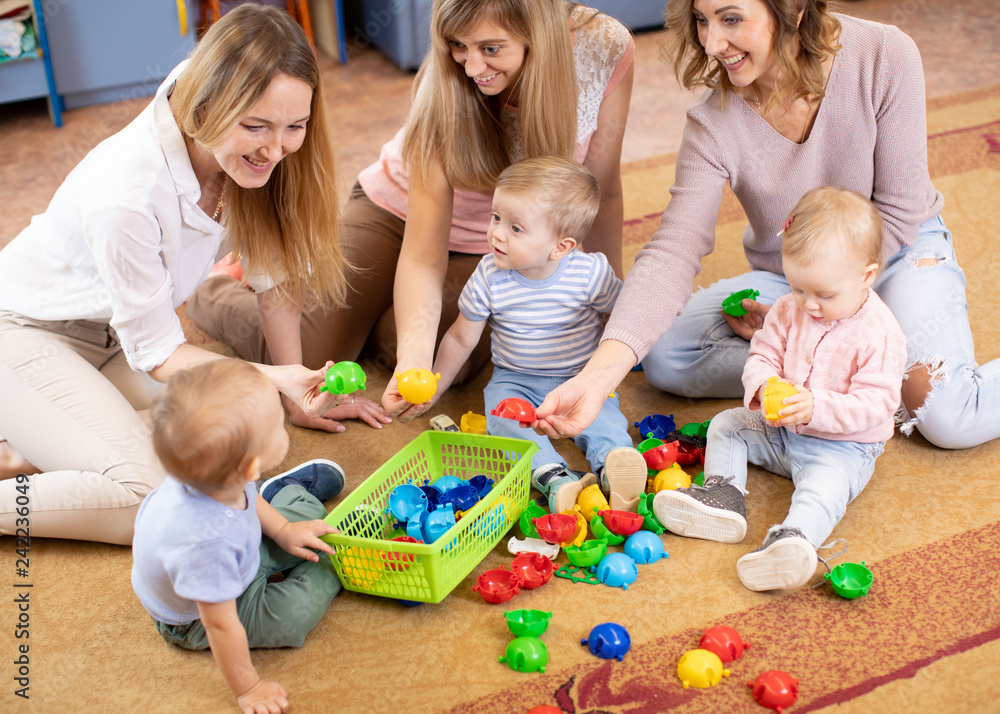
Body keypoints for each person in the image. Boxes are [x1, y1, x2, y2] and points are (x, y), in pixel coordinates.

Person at [533, 0, 1000, 451]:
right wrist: (595, 380)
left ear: (793, 9)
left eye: (731, 19)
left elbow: (898, 211)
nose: (713, 43)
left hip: (897, 252)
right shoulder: (712, 121)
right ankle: (859, 380)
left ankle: (855, 371)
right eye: (701, 20)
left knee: (947, 415)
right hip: (793, 277)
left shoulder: (884, 54)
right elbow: (674, 249)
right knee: (668, 357)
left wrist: (817, 321)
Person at [0, 5, 386, 546]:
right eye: (256, 127)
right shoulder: (126, 195)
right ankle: (39, 443)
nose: (276, 149)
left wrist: (294, 389)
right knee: (150, 500)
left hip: (114, 334)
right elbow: (157, 353)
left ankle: (30, 448)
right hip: (24, 335)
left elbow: (276, 282)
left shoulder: (241, 132)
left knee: (237, 428)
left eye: (294, 127)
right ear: (206, 104)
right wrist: (271, 379)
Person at [186, 0, 636, 422]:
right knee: (307, 360)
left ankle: (374, 319)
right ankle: (218, 289)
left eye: (490, 48)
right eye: (457, 45)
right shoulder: (443, 87)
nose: (471, 66)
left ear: (535, 34)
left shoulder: (605, 48)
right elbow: (423, 254)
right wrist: (412, 363)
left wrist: (609, 321)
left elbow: (602, 192)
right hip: (392, 210)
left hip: (499, 245)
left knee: (441, 353)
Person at [653, 187, 907, 591]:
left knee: (823, 491)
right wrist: (765, 383)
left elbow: (877, 405)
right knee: (727, 425)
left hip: (843, 447)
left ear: (866, 276)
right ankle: (724, 496)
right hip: (782, 431)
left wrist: (816, 407)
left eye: (824, 294)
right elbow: (762, 353)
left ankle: (792, 540)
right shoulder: (790, 309)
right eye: (798, 288)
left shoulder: (880, 334)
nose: (809, 305)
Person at [425, 157, 647, 512]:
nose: (496, 232)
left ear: (560, 247)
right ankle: (553, 477)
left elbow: (620, 316)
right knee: (503, 417)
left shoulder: (590, 273)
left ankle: (616, 467)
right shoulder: (488, 277)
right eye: (496, 217)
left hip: (581, 377)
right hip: (515, 380)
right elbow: (459, 338)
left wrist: (626, 363)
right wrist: (435, 386)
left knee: (602, 417)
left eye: (516, 228)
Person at [132, 359, 343, 714]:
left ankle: (281, 492)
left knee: (307, 521)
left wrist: (283, 530)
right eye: (279, 426)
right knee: (292, 617)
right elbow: (220, 624)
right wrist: (249, 689)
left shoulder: (217, 471)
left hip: (237, 543)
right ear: (249, 466)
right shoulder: (202, 545)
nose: (286, 428)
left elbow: (247, 495)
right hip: (196, 618)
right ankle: (336, 563)